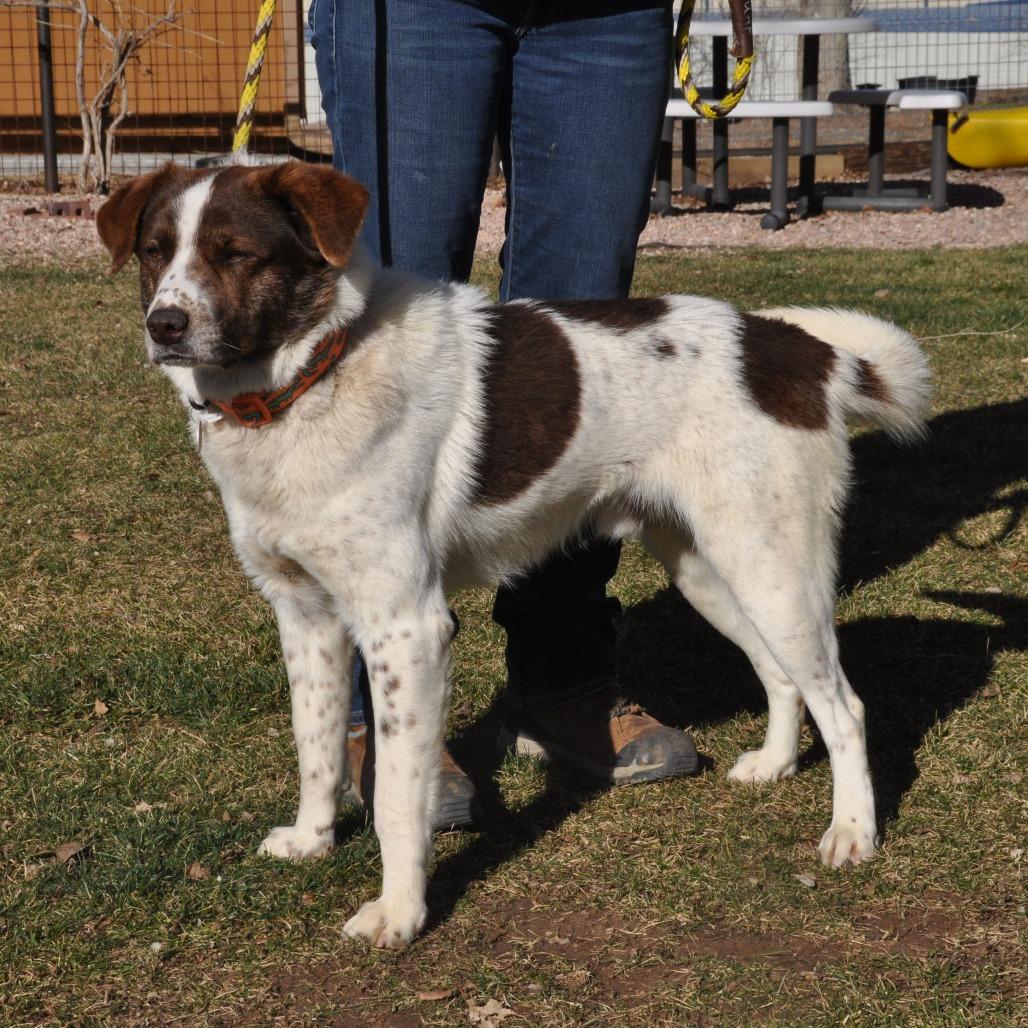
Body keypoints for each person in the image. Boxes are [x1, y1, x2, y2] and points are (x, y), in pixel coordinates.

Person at [309, 0, 698, 828]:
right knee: (390, 334)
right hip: (412, 14)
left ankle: (563, 685)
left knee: (589, 362)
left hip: (606, 13)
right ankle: (373, 717)